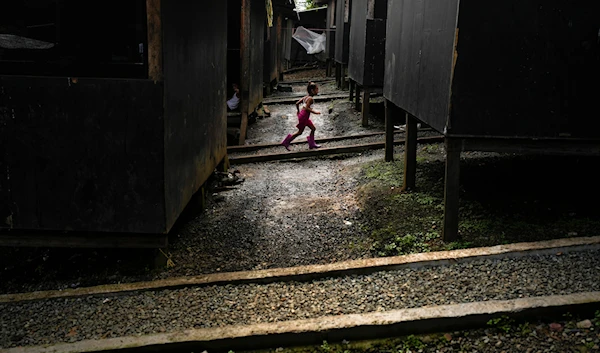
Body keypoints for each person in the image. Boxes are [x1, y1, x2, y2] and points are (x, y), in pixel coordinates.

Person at [281, 81, 321, 150]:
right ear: (312, 90)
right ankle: (286, 142)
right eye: (316, 89)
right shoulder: (310, 99)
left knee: (313, 128)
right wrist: (315, 112)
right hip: (304, 117)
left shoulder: (306, 97)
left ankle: (311, 143)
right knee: (299, 132)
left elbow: (297, 103)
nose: (318, 90)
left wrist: (298, 111)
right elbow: (306, 108)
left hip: (303, 116)